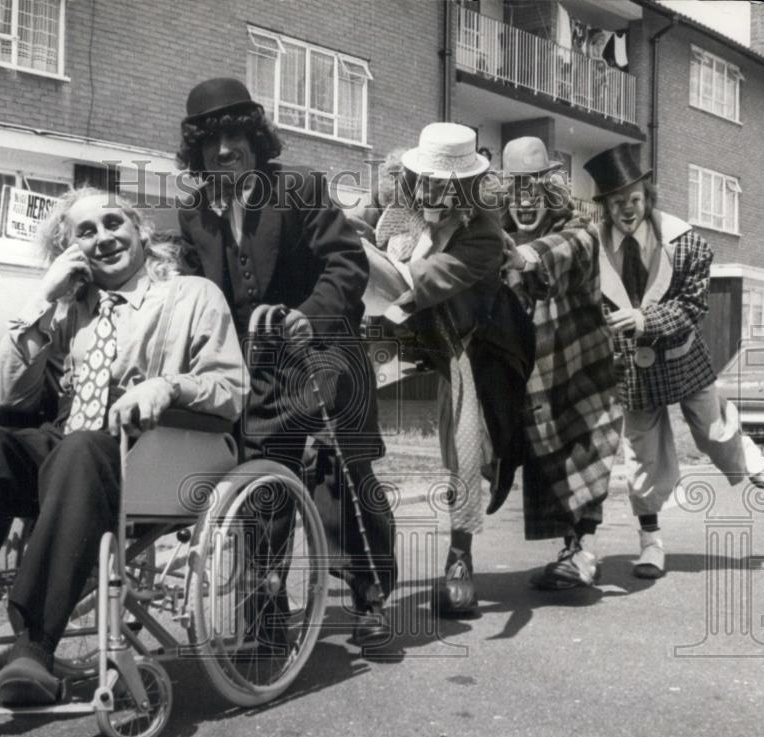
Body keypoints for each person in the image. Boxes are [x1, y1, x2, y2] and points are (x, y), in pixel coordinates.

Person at [0, 188, 246, 705]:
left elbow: (230, 390)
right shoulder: (69, 312)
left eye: (114, 223)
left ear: (139, 230)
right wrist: (42, 299)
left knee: (80, 448)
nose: (104, 238)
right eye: (85, 233)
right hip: (73, 451)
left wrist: (168, 385)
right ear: (71, 250)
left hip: (154, 453)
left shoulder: (192, 295)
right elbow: (5, 394)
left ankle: (32, 648)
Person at [175, 77, 397, 646]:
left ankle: (370, 602)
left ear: (254, 137)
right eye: (210, 143)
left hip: (324, 354)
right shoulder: (195, 214)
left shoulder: (300, 187)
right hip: (256, 369)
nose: (224, 151)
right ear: (197, 151)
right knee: (262, 487)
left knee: (341, 482)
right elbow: (198, 290)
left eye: (234, 136)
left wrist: (309, 314)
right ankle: (266, 615)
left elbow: (346, 264)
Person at [507, 143, 764, 579]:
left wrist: (644, 317)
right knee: (644, 459)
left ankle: (746, 456)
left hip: (683, 357)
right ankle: (652, 544)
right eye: (616, 203)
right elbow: (563, 260)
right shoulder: (595, 245)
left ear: (648, 199)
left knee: (713, 431)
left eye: (633, 200)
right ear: (606, 207)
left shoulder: (686, 244)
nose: (626, 210)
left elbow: (692, 308)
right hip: (631, 369)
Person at [359, 123, 533, 615]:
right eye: (426, 177)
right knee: (344, 433)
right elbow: (348, 231)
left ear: (468, 185)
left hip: (467, 340)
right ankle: (358, 563)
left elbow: (412, 284)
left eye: (447, 181)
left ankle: (460, 559)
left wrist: (354, 252)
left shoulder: (483, 234)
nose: (434, 188)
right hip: (395, 335)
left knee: (468, 452)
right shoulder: (393, 199)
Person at [500, 137, 622, 590]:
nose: (526, 200)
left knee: (581, 452)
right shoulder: (499, 231)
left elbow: (563, 249)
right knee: (542, 458)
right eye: (516, 188)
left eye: (535, 187)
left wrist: (524, 256)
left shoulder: (579, 230)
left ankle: (580, 552)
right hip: (531, 375)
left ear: (552, 189)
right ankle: (570, 551)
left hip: (580, 373)